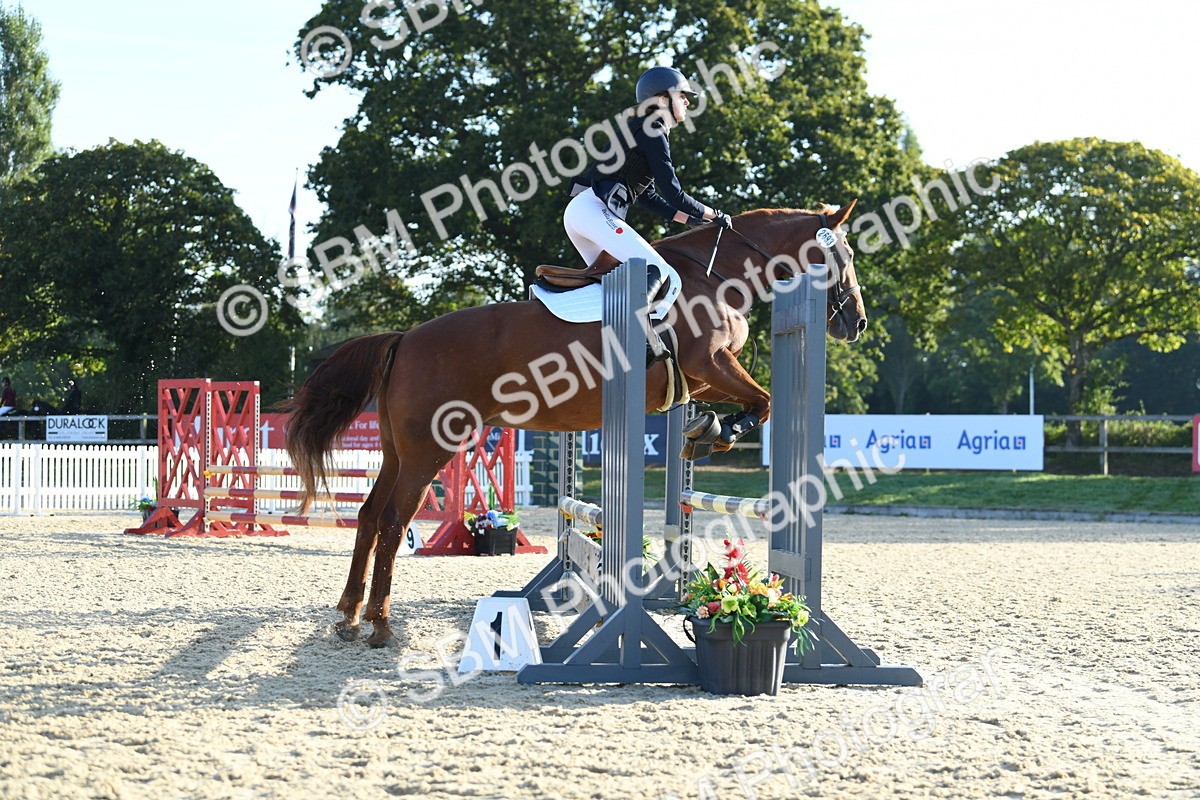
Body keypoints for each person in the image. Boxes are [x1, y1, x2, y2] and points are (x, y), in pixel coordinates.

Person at [563, 66, 732, 361]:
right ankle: (640, 339)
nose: (687, 102)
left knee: (612, 282)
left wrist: (692, 220)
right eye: (682, 96)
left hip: (583, 212)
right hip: (592, 211)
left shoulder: (643, 127)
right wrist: (713, 213)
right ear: (663, 99)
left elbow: (649, 197)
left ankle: (593, 341)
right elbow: (674, 194)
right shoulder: (653, 127)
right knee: (657, 268)